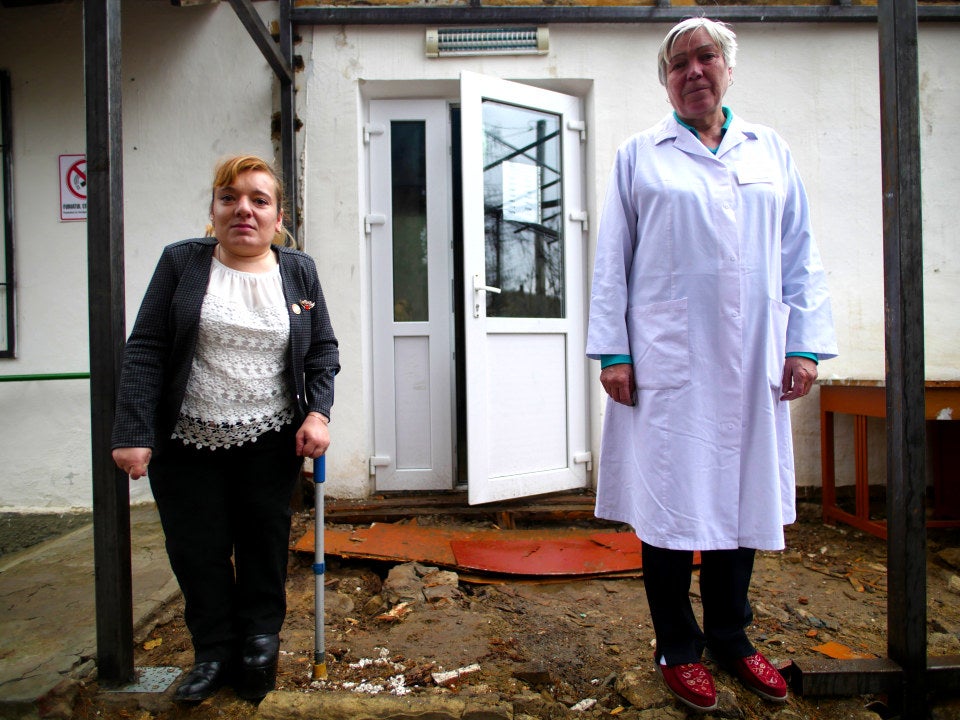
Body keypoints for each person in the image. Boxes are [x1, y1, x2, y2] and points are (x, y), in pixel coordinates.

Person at [586, 18, 837, 713]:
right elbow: (614, 260)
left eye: (706, 58)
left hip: (753, 354)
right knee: (669, 506)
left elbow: (800, 254)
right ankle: (677, 646)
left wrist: (804, 343)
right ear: (665, 81)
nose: (693, 71)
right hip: (670, 360)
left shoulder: (770, 151)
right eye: (678, 64)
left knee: (739, 496)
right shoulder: (642, 154)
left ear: (728, 68)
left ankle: (732, 635)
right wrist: (614, 350)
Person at [112, 155, 339, 703]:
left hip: (270, 437)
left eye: (259, 200)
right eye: (230, 197)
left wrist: (319, 411)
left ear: (278, 216)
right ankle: (213, 650)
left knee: (263, 541)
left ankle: (261, 642)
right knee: (197, 548)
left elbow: (323, 351)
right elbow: (146, 348)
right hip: (185, 437)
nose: (244, 209)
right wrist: (133, 428)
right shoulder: (181, 263)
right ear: (212, 211)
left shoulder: (299, 271)